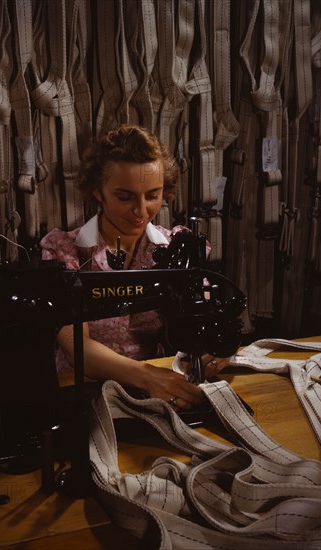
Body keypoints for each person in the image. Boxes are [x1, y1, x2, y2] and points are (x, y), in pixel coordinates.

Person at [41, 124, 229, 410]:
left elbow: (202, 314)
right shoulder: (65, 251)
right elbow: (76, 348)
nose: (141, 211)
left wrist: (215, 348)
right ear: (98, 191)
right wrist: (147, 377)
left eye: (152, 195)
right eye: (125, 197)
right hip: (81, 388)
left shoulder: (174, 247)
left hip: (162, 382)